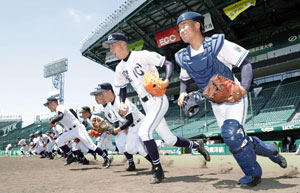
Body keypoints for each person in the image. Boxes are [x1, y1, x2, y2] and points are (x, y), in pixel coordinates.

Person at [174, 11, 287, 187]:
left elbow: (245, 63)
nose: (181, 30)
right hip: (215, 104)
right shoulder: (184, 57)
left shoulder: (217, 45)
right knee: (237, 139)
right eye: (179, 28)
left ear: (198, 25)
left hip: (233, 97)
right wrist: (182, 92)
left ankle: (253, 175)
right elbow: (185, 80)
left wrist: (243, 89)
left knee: (232, 134)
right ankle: (272, 151)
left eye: (185, 25)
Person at [103, 32, 210, 184]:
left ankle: (158, 170)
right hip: (146, 104)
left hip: (158, 99)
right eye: (110, 47)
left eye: (113, 46)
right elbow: (121, 88)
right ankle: (196, 145)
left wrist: (166, 80)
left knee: (144, 132)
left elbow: (168, 64)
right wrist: (121, 102)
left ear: (122, 44)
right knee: (170, 139)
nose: (111, 50)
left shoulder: (142, 55)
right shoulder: (120, 68)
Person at [90, 83, 153, 171]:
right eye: (97, 95)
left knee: (139, 148)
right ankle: (144, 155)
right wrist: (110, 129)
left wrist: (118, 129)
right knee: (130, 149)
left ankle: (155, 164)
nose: (99, 97)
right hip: (131, 126)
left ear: (109, 92)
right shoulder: (111, 104)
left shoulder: (120, 102)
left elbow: (130, 119)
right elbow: (120, 120)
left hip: (140, 123)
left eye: (101, 94)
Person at [44, 96, 111, 167]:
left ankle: (106, 158)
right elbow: (70, 111)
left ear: (54, 103)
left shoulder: (59, 107)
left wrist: (53, 120)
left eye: (48, 104)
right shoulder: (58, 110)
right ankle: (71, 156)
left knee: (91, 146)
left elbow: (60, 116)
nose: (48, 107)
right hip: (71, 131)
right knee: (59, 141)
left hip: (78, 129)